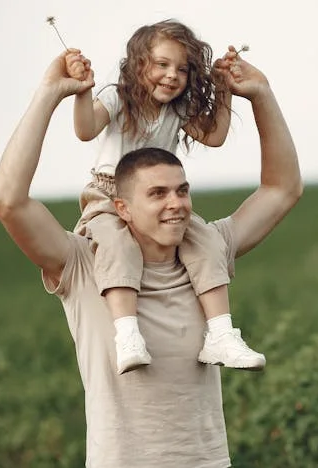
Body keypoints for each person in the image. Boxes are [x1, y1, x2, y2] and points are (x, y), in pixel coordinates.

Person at [0, 44, 302, 466]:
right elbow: (8, 201)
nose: (176, 203)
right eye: (157, 193)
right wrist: (49, 93)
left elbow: (281, 189)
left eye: (182, 190)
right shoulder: (83, 262)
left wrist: (262, 94)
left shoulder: (208, 248)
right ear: (121, 207)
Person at [64, 20, 265, 374]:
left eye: (183, 69)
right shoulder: (117, 97)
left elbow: (215, 135)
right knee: (117, 245)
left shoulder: (177, 110)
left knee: (205, 240)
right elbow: (85, 129)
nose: (172, 75)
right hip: (109, 195)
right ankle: (127, 334)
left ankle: (220, 333)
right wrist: (82, 91)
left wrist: (225, 88)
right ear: (138, 64)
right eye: (162, 64)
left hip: (160, 203)